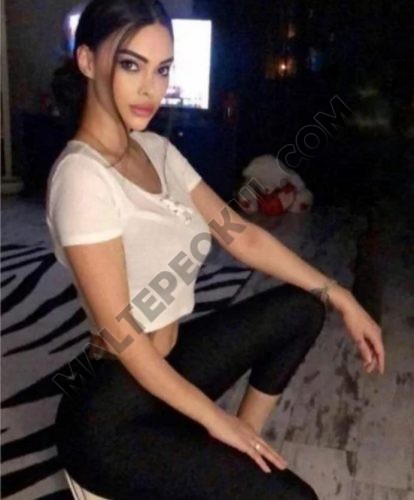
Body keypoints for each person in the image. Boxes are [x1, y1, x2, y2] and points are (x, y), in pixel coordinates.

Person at [45, 0, 385, 498]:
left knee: (302, 308)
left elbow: (240, 234)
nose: (151, 88)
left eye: (163, 70)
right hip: (111, 418)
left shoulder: (157, 150)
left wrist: (341, 295)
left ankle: (239, 456)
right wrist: (217, 421)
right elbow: (127, 340)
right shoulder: (81, 177)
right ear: (88, 60)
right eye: (132, 65)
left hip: (170, 364)